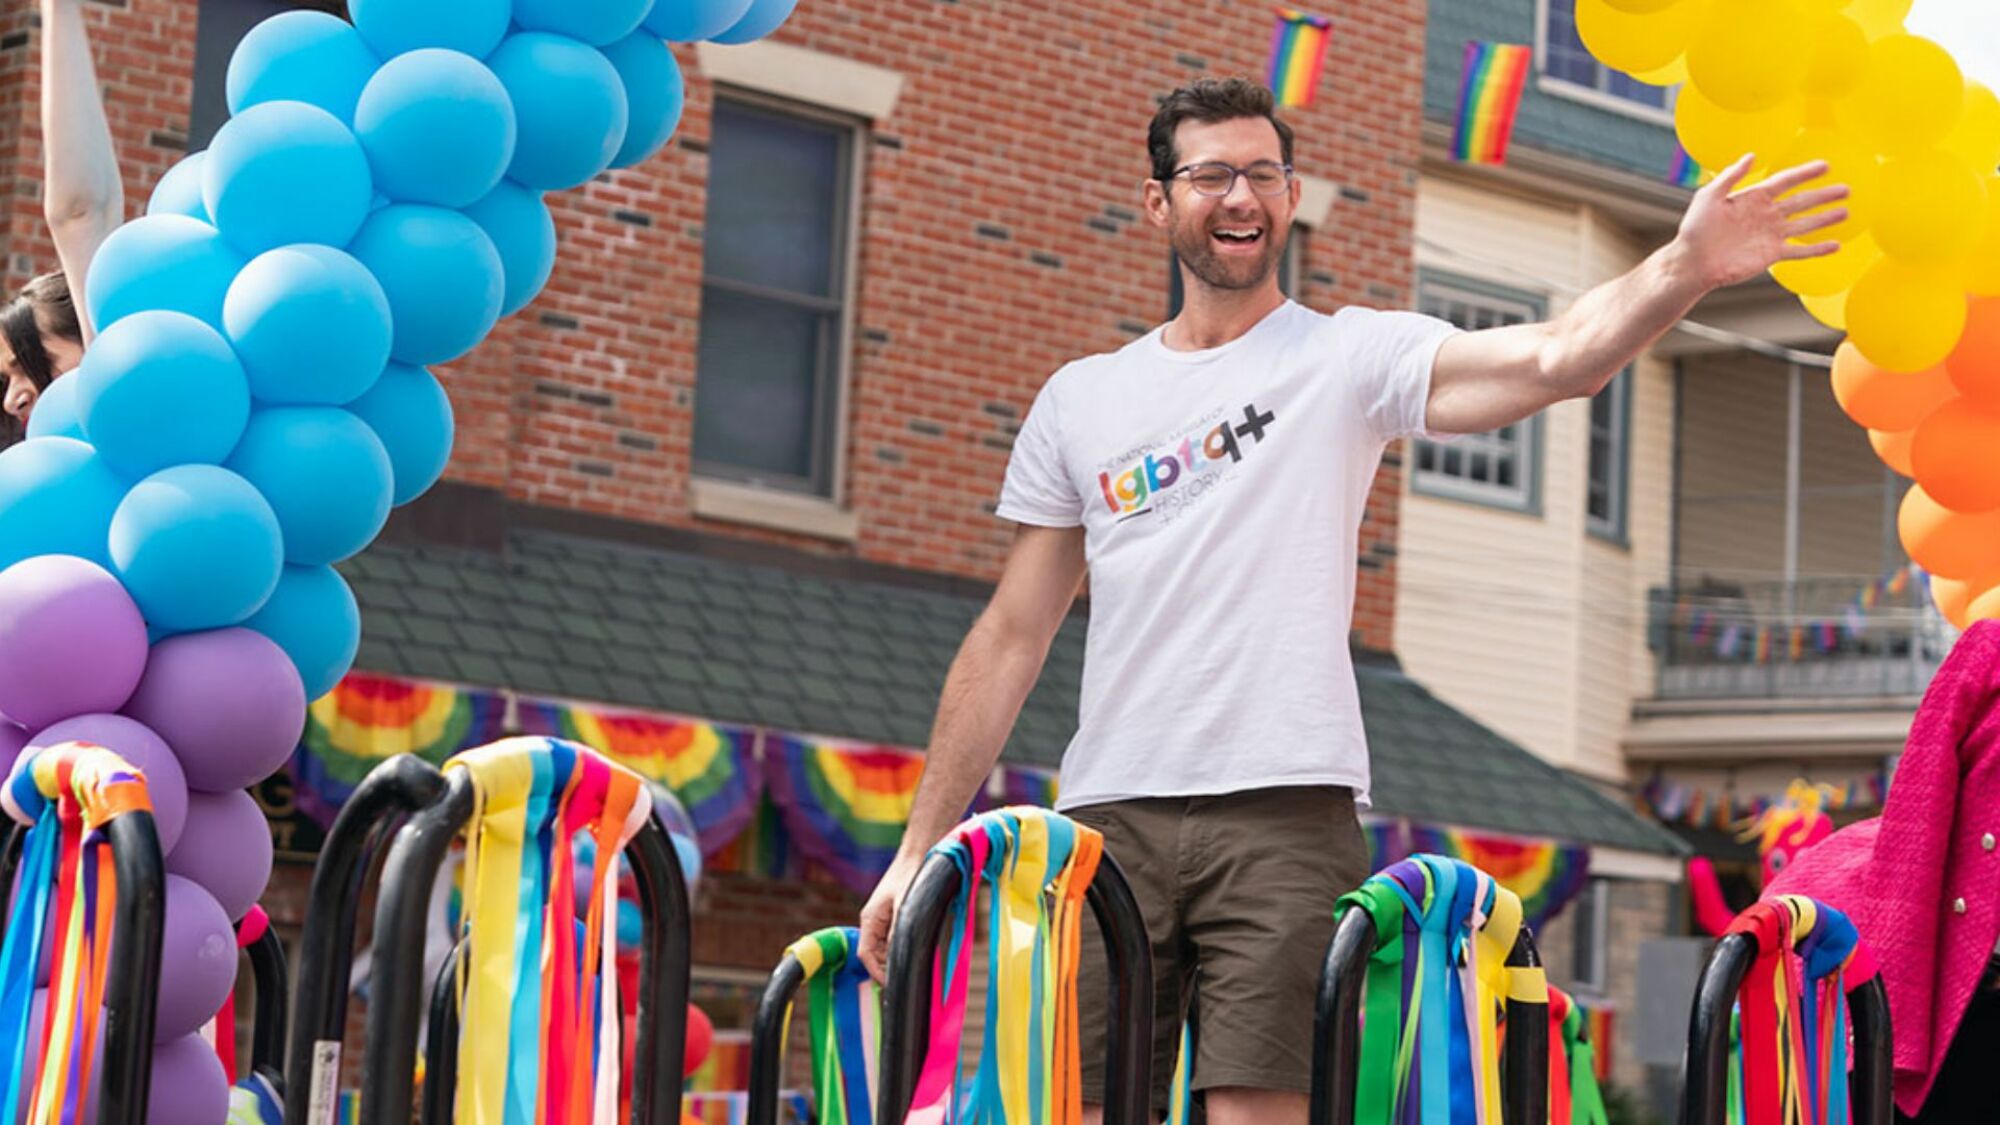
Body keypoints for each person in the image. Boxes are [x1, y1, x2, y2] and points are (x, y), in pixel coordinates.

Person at [857, 76, 1846, 1125]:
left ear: (1289, 197)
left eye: (1261, 174)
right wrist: (918, 847)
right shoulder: (1082, 398)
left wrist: (1682, 267)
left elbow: (1558, 358)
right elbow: (1011, 633)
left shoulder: (1344, 358)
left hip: (1283, 809)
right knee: (1081, 1110)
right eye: (1208, 176)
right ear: (1158, 203)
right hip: (1106, 820)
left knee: (1258, 1112)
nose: (1238, 197)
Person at [3, 0, 123, 446]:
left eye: (32, 361)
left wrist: (59, 10)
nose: (11, 400)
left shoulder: (122, 389)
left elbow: (81, 214)